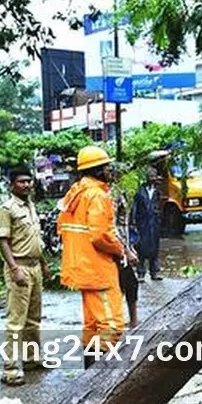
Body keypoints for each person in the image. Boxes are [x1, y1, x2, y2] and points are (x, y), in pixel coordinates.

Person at [58, 146, 135, 368]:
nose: (110, 171)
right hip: (98, 270)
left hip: (81, 267)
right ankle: (101, 376)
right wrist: (121, 250)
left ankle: (88, 375)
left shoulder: (75, 193)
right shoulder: (97, 195)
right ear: (97, 170)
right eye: (107, 167)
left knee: (93, 326)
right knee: (112, 325)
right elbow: (100, 236)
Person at [0, 166, 51, 385]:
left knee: (33, 319)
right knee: (16, 321)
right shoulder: (7, 209)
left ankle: (31, 359)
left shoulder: (31, 207)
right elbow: (3, 241)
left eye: (28, 181)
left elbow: (36, 240)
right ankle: (9, 369)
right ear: (12, 185)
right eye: (21, 181)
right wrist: (13, 268)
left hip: (35, 267)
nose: (26, 185)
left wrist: (44, 265)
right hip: (19, 267)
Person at [111, 163, 140, 329]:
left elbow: (125, 224)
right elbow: (112, 226)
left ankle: (132, 321)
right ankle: (123, 321)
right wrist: (126, 250)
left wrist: (130, 246)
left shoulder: (122, 193)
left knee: (130, 284)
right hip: (116, 248)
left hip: (124, 243)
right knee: (124, 284)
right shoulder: (112, 194)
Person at [132, 166, 163, 282]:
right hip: (142, 222)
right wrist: (133, 222)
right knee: (141, 247)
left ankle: (154, 272)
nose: (153, 178)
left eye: (154, 176)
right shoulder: (139, 191)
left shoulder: (157, 191)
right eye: (151, 176)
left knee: (155, 247)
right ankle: (140, 273)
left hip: (154, 223)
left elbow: (159, 206)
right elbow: (135, 207)